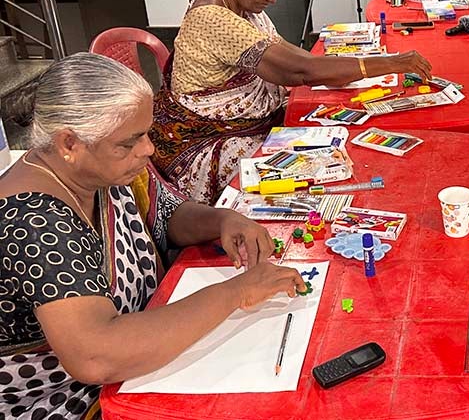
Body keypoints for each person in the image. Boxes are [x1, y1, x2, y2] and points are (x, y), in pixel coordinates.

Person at [0, 54, 306, 419]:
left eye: (146, 133)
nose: (148, 149)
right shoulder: (35, 222)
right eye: (129, 142)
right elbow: (96, 355)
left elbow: (166, 215)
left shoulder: (98, 172)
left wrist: (224, 220)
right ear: (69, 143)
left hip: (139, 361)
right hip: (64, 402)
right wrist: (237, 291)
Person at [150, 0, 431, 203]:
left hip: (237, 125)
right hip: (209, 141)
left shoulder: (236, 6)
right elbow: (300, 71)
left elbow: (291, 53)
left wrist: (335, 68)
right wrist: (391, 63)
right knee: (307, 171)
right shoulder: (215, 18)